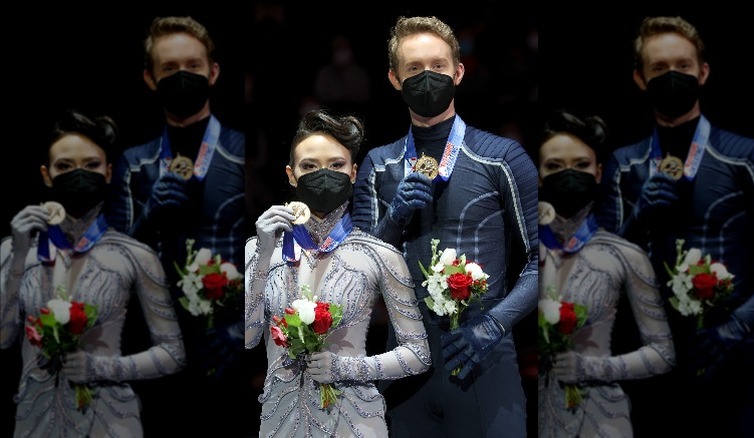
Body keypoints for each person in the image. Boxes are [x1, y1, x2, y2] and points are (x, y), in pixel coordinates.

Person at [351, 15, 538, 437]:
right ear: (394, 79)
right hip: (403, 365)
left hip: (485, 358)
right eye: (413, 69)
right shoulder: (379, 167)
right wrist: (395, 217)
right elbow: (355, 280)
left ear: (458, 71)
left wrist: (492, 326)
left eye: (437, 66)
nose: (426, 76)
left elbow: (542, 262)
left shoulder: (503, 157)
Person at [597, 16, 754, 436]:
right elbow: (599, 274)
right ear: (640, 79)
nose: (672, 75)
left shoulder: (747, 157)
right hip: (653, 354)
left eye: (682, 65)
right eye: (659, 69)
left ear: (703, 72)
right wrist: (638, 218)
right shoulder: (625, 165)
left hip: (734, 349)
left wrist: (738, 325)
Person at [103, 16, 250, 436]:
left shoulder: (242, 152)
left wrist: (242, 332)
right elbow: (110, 269)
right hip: (156, 345)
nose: (182, 76)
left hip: (230, 346)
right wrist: (148, 221)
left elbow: (277, 250)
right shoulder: (134, 163)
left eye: (192, 65)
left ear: (214, 72)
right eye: (169, 69)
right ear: (150, 78)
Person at [246, 108, 431, 437]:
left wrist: (346, 367)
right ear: (291, 175)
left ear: (354, 172)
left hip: (355, 421)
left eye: (336, 165)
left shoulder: (380, 254)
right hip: (281, 422)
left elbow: (418, 354)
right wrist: (262, 254)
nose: (323, 174)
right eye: (309, 166)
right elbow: (248, 338)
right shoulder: (259, 249)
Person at [0, 110, 185, 437]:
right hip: (35, 420)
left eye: (91, 165)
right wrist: (16, 255)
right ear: (46, 174)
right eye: (64, 166)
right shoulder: (15, 250)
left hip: (110, 419)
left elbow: (173, 354)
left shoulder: (135, 255)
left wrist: (101, 368)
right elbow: (4, 338)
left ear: (109, 172)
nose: (79, 174)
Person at [536, 110, 675, 437]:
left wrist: (592, 368)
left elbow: (663, 354)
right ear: (539, 175)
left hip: (602, 419)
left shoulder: (626, 255)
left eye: (581, 165)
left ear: (599, 172)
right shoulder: (525, 249)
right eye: (554, 166)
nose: (569, 174)